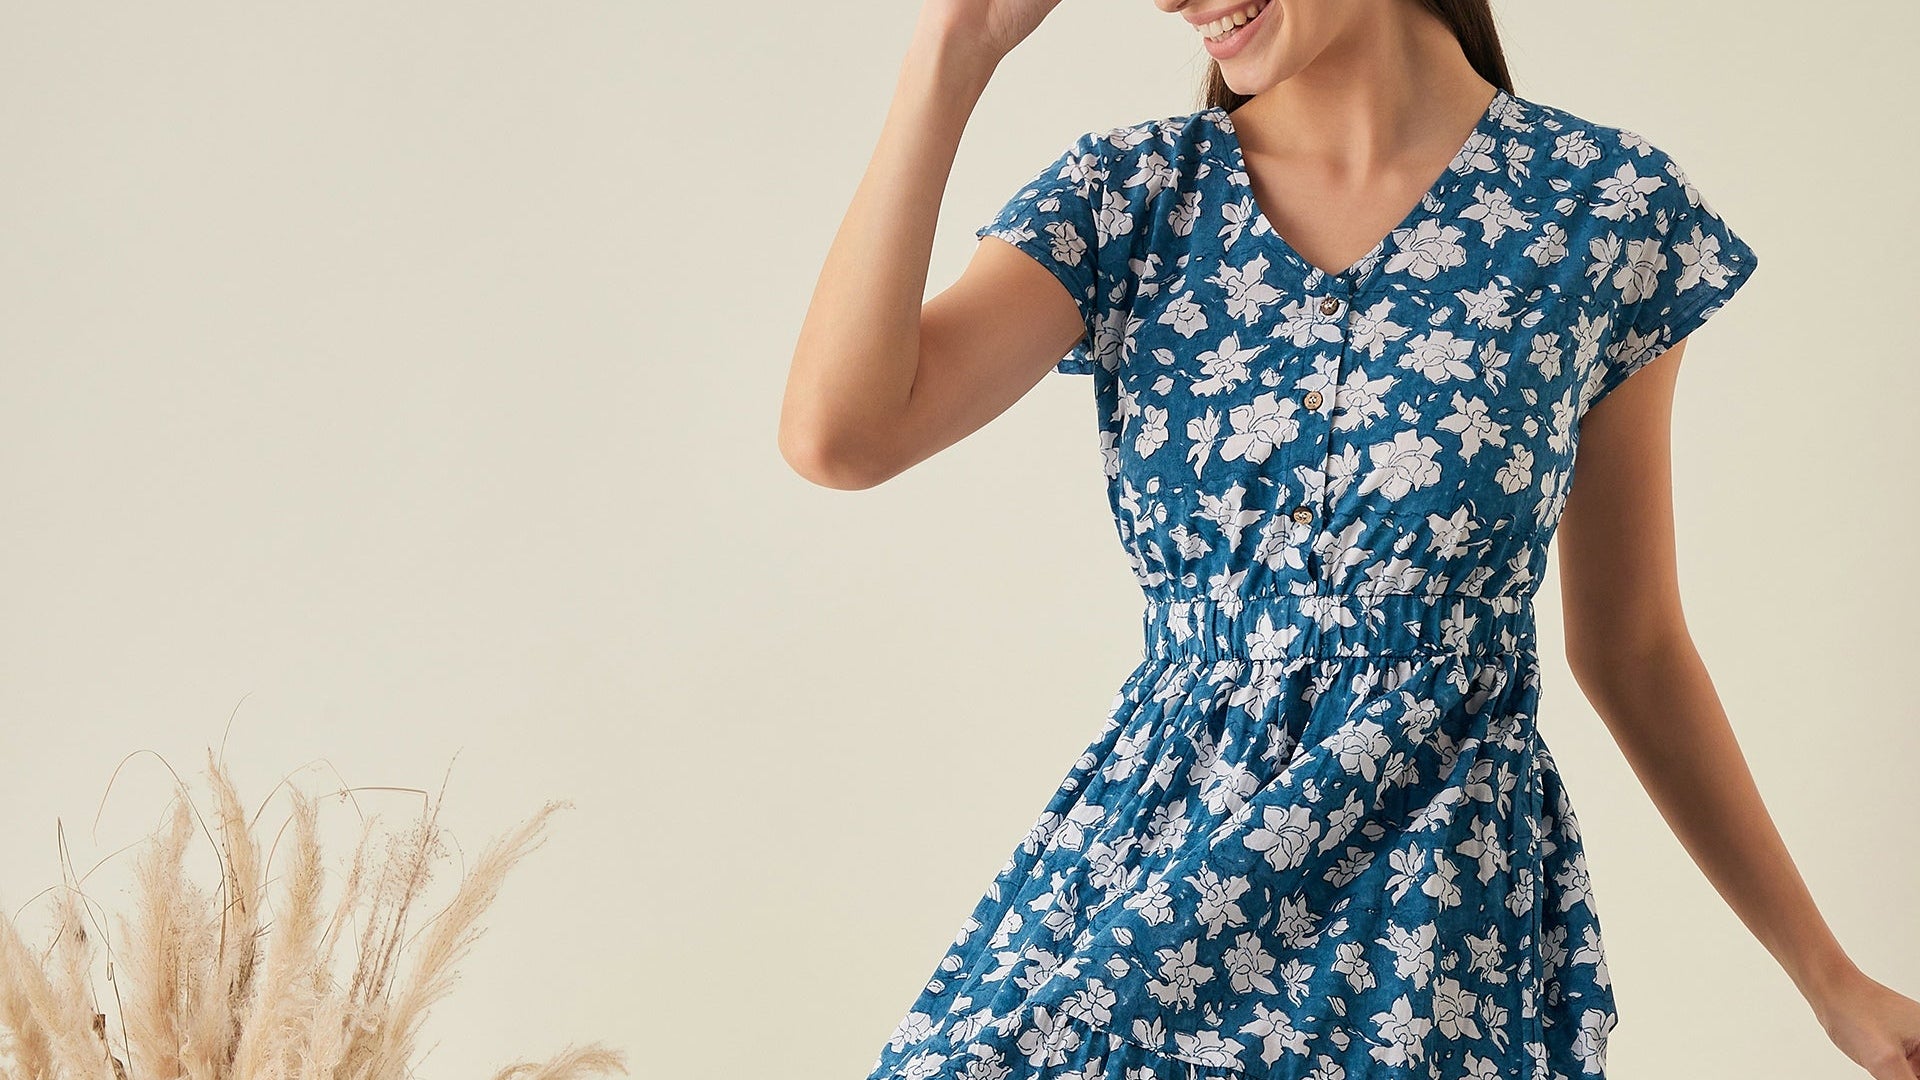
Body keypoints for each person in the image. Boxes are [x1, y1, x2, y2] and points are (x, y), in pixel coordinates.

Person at [778, 1, 1920, 1077]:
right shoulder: (1132, 196)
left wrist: (1828, 980)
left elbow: (1632, 646)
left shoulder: (1602, 207)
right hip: (1157, 887)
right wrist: (955, 50)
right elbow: (842, 436)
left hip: (1426, 927)